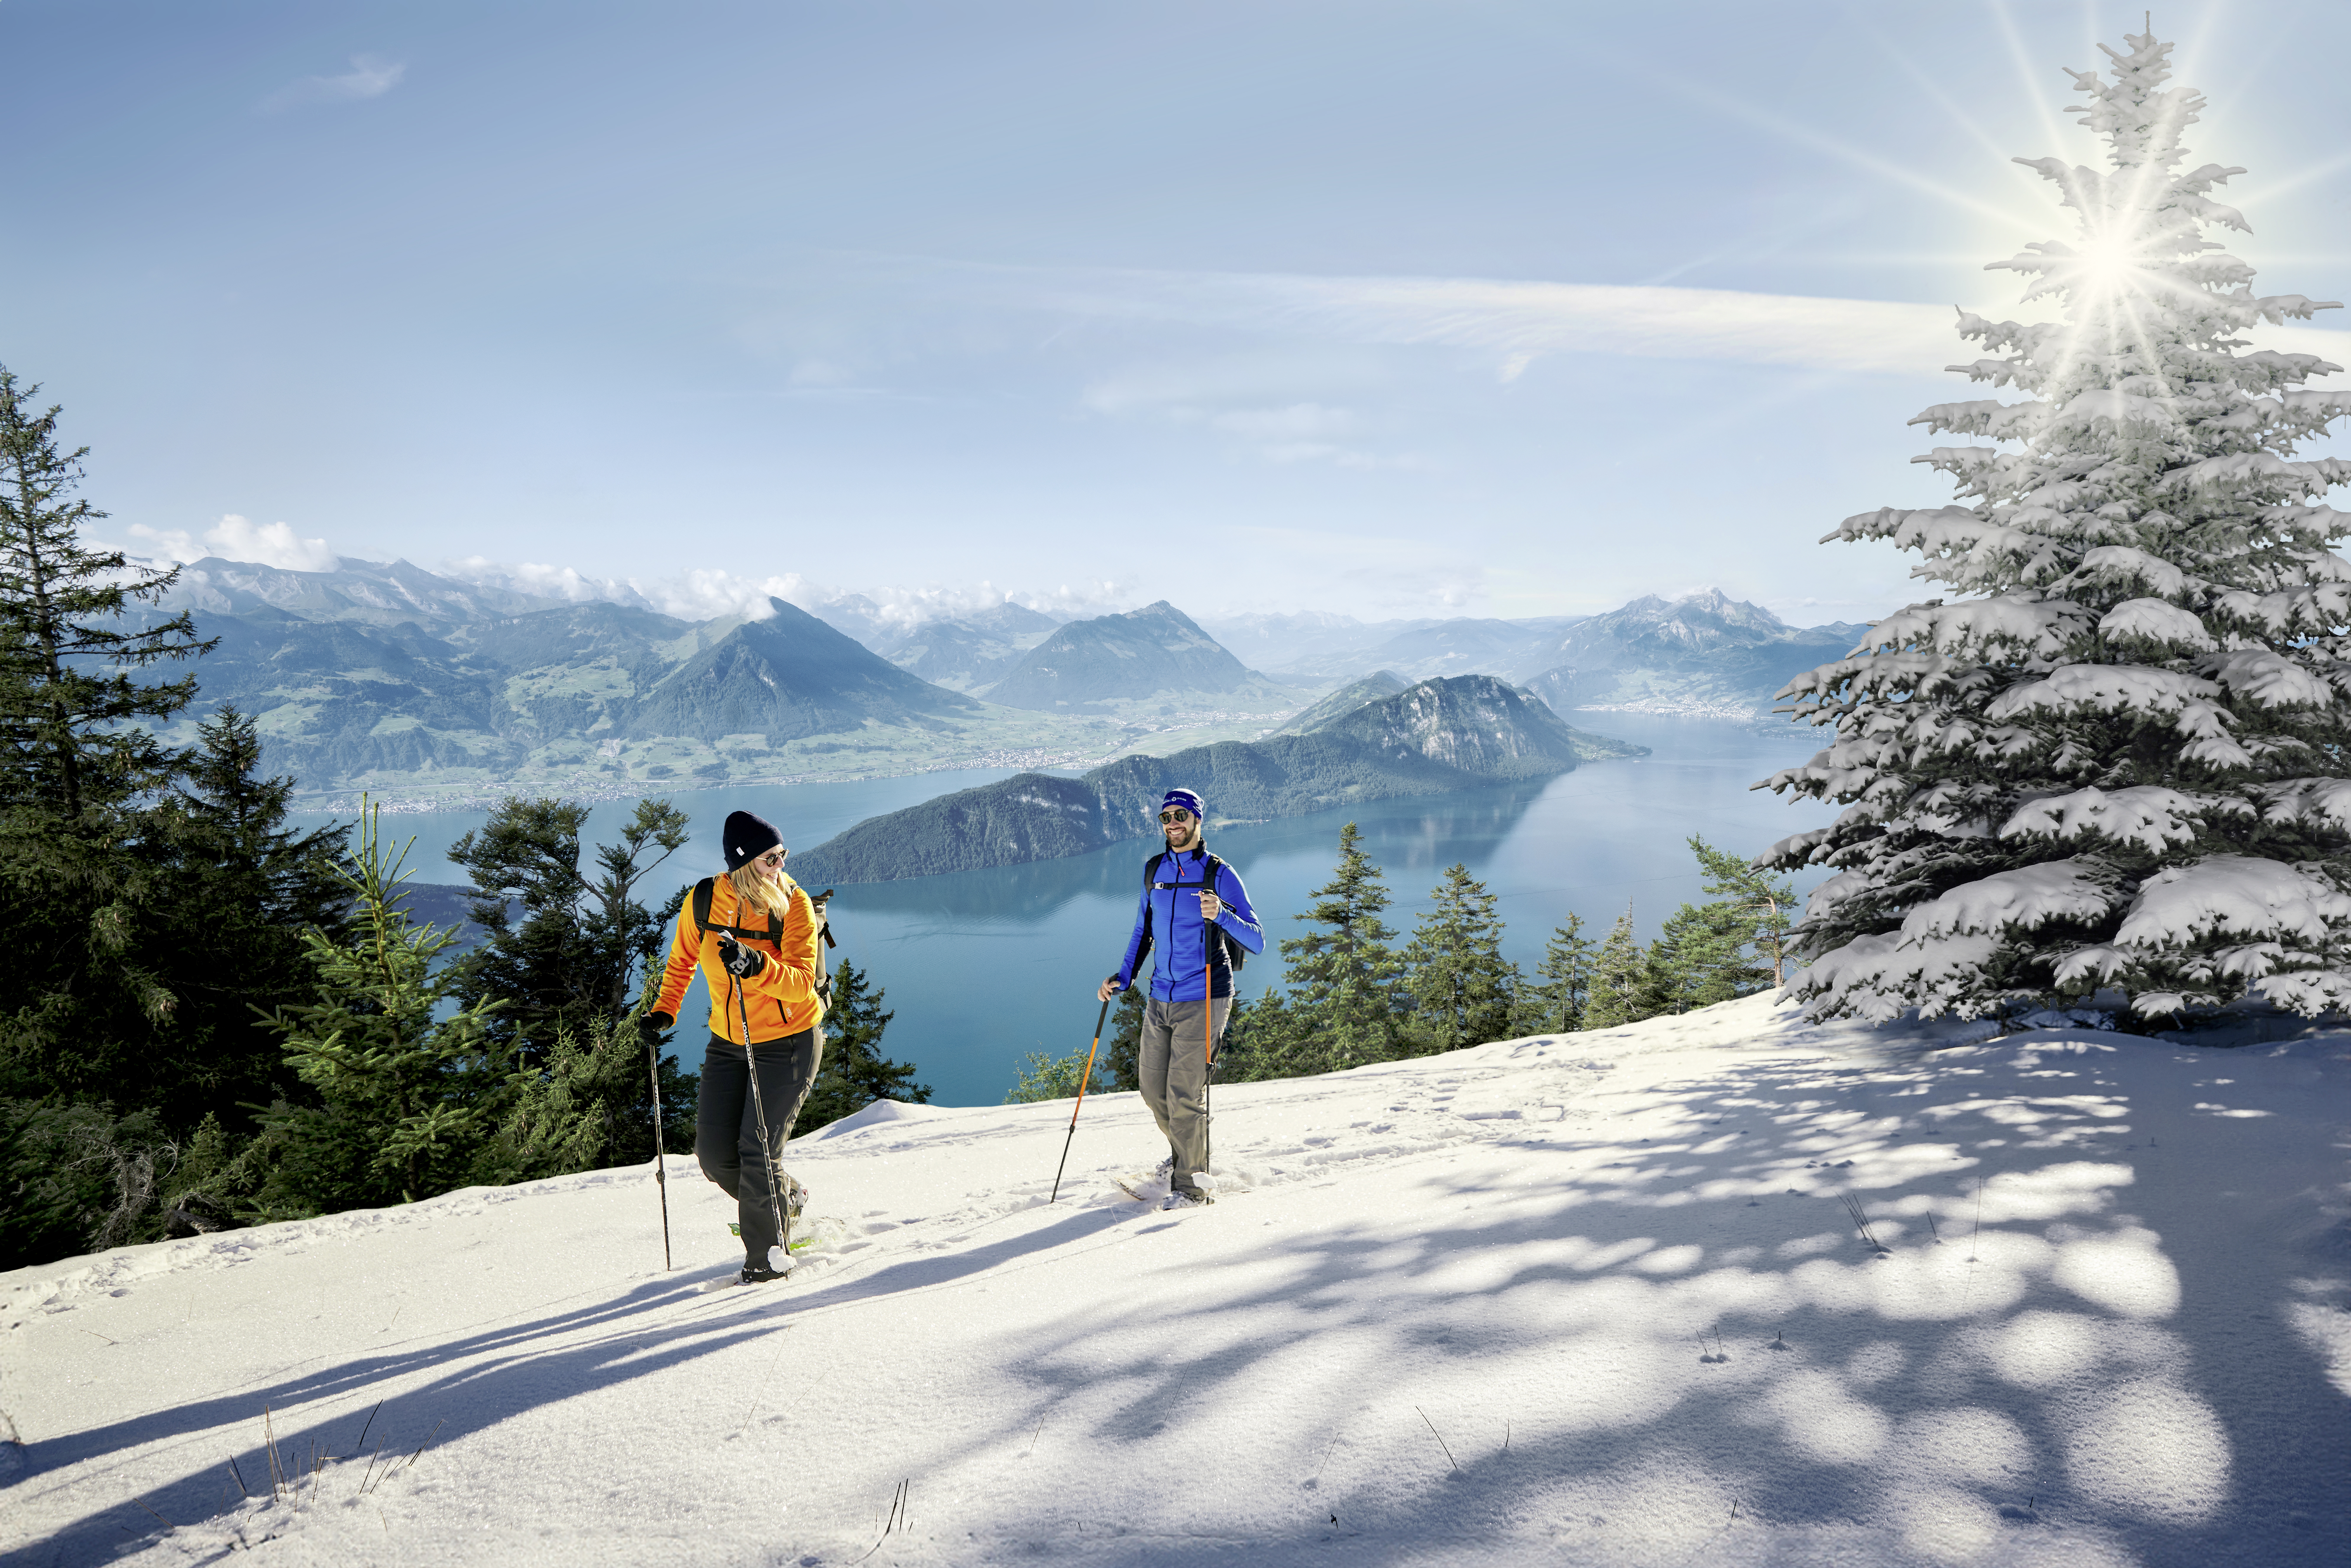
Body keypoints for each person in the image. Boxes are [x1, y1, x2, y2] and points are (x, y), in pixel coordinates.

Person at [640, 809, 828, 1283]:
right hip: (729, 1043)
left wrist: (755, 965)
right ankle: (787, 1199)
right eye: (771, 858)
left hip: (789, 1042)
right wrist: (665, 1010)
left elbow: (803, 985)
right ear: (744, 863)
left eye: (783, 855)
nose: (780, 865)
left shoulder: (795, 904)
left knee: (758, 1150)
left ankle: (766, 1262)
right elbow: (682, 959)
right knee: (716, 1156)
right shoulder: (705, 900)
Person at [1099, 788, 1264, 1209]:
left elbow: (1258, 940)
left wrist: (1221, 915)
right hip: (1161, 997)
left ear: (1197, 820)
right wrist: (1124, 977)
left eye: (1181, 816)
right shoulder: (1155, 870)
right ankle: (1185, 1159)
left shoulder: (1218, 873)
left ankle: (1193, 1190)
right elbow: (1143, 931)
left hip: (1205, 996)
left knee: (1185, 1096)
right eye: (1166, 818)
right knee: (1153, 1090)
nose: (1173, 824)